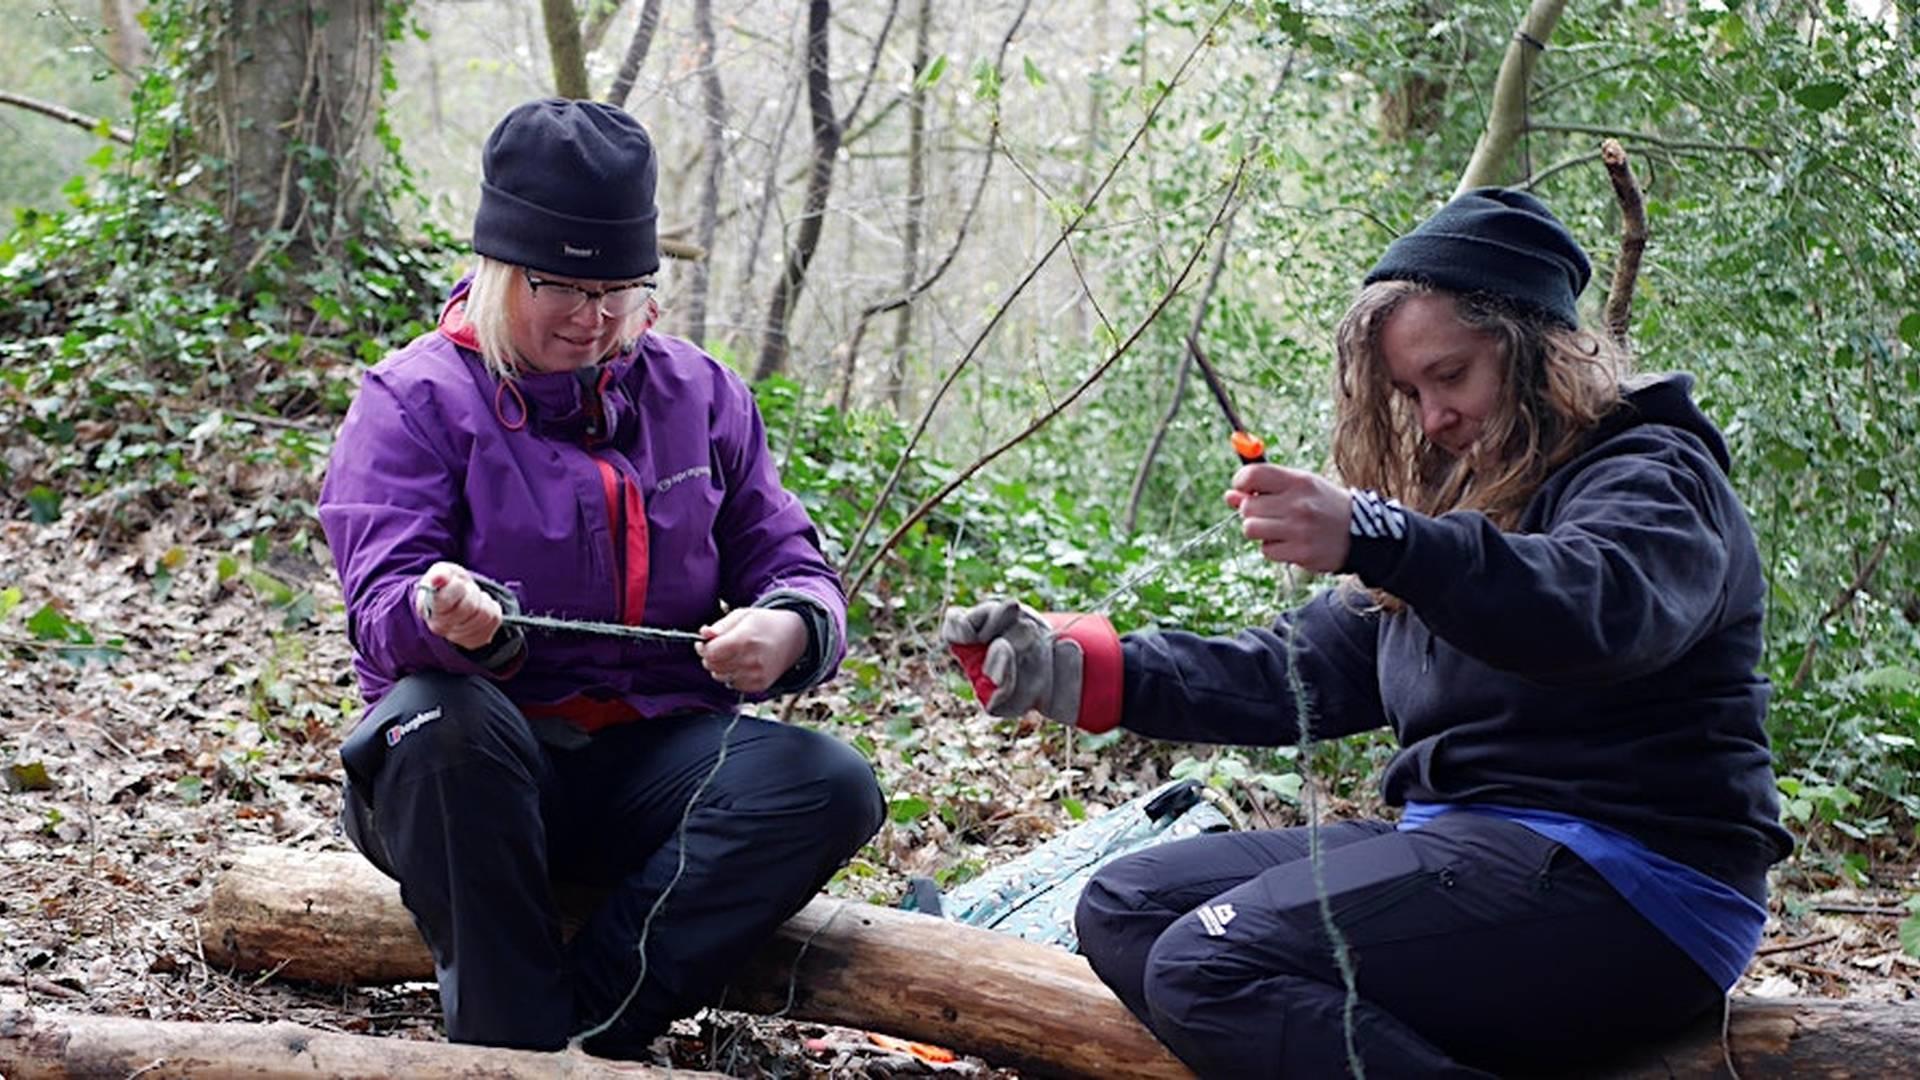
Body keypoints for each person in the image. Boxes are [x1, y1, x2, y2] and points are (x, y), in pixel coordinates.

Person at [943, 188, 1792, 1078]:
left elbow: (1595, 611)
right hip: (1471, 849)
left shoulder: (1655, 474)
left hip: (1637, 885)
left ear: (1539, 347)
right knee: (1127, 904)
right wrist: (1074, 669)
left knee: (1210, 963)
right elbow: (1300, 666)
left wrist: (1378, 535)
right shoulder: (1463, 508)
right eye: (1411, 391)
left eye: (1450, 375)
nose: (1433, 418)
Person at [317, 98, 883, 1058]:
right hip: (467, 779)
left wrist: (790, 626)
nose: (597, 319)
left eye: (625, 288)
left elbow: (791, 559)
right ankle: (515, 1043)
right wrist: (444, 616)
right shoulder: (411, 400)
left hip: (650, 767)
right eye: (565, 291)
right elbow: (381, 605)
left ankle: (584, 1034)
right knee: (444, 723)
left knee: (828, 783)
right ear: (502, 271)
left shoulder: (700, 394)